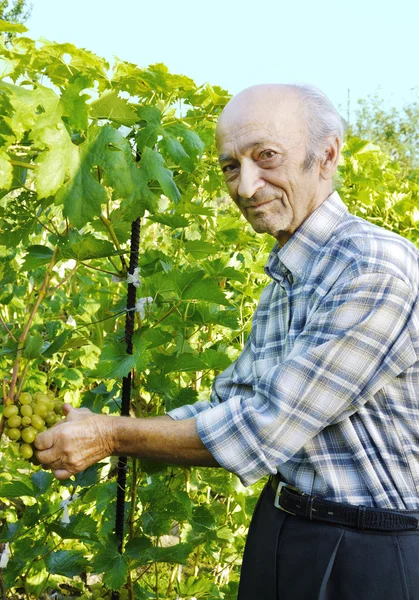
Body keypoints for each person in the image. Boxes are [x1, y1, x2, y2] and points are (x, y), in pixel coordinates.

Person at [35, 84, 419, 600]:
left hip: (368, 551)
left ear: (326, 155)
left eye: (266, 157)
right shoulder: (291, 273)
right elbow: (234, 403)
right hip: (285, 527)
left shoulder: (371, 268)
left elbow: (265, 425)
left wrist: (111, 435)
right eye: (231, 167)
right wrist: (91, 427)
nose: (246, 186)